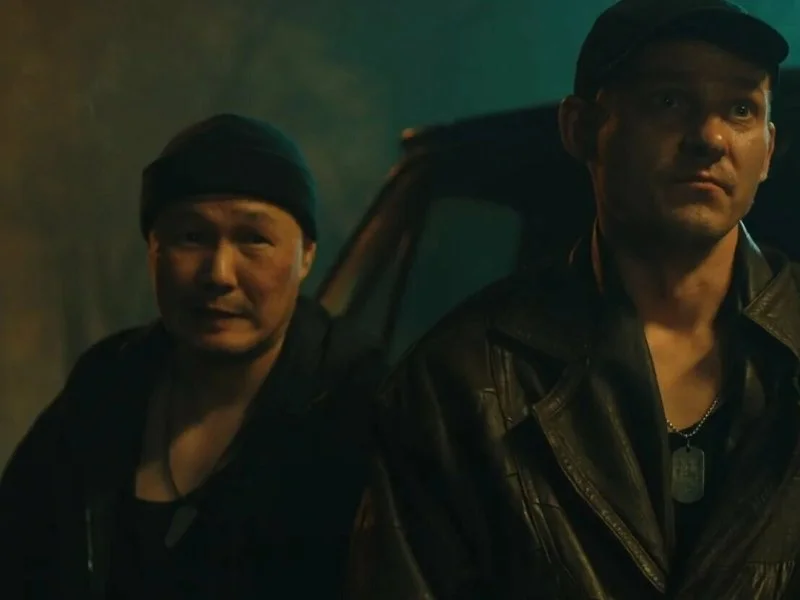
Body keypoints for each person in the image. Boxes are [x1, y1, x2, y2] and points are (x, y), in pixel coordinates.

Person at [347, 1, 800, 598]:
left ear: (768, 148)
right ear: (581, 129)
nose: (710, 138)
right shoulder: (460, 379)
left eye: (741, 109)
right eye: (668, 100)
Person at [0, 114, 385, 598]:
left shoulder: (358, 409)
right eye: (191, 237)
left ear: (305, 255)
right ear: (153, 250)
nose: (218, 273)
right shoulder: (106, 385)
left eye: (253, 239)